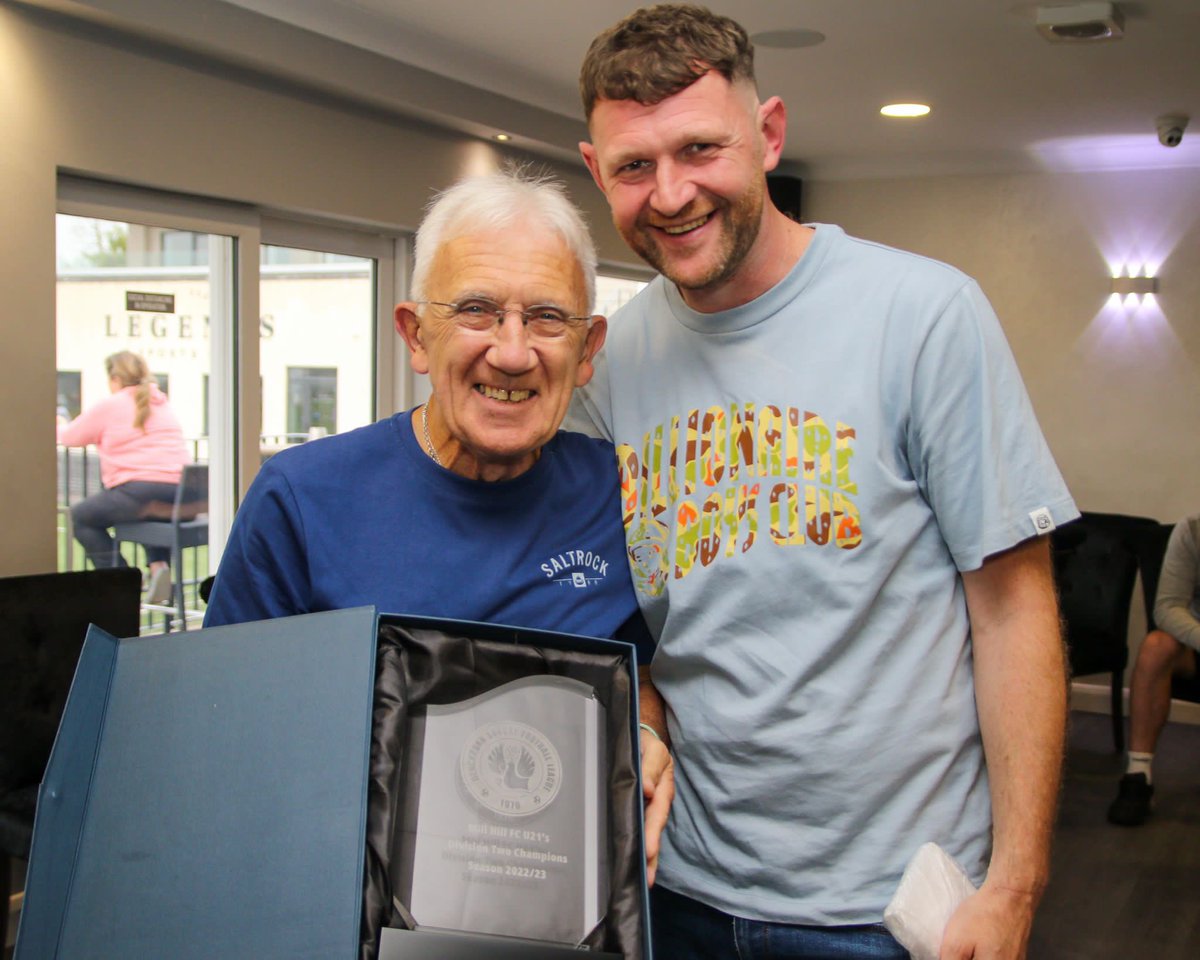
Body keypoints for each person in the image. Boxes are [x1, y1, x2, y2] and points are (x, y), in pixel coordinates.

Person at [569, 5, 1078, 959]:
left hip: (889, 907)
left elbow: (1014, 612)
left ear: (767, 136)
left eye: (701, 149)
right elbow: (636, 623)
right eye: (635, 166)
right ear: (598, 173)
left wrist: (1015, 886)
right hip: (677, 888)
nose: (671, 193)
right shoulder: (613, 360)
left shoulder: (923, 314)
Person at [203, 168, 651, 662]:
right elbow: (228, 707)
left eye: (547, 316)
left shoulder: (622, 492)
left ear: (587, 349)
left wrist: (647, 722)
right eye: (476, 309)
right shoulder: (302, 499)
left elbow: (654, 665)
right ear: (417, 335)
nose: (512, 353)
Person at [57, 350, 189, 604]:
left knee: (79, 517)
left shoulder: (112, 404)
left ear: (115, 378)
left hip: (140, 492)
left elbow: (71, 437)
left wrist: (57, 423)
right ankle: (158, 566)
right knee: (149, 509)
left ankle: (123, 577)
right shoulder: (160, 402)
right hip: (182, 496)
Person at [1107, 513, 1200, 826]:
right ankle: (1138, 776)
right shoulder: (1193, 530)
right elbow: (1168, 607)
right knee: (1155, 647)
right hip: (1196, 646)